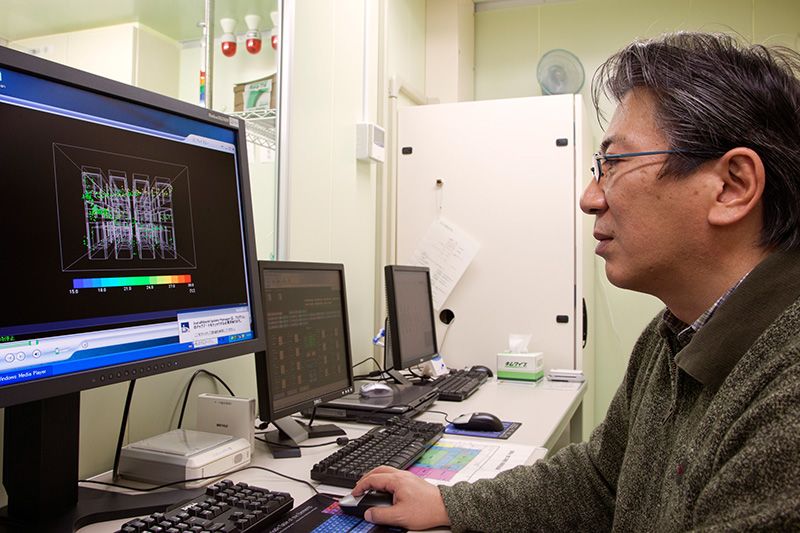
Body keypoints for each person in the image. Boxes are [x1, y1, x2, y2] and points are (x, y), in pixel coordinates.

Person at [352, 32, 800, 531]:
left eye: (614, 165)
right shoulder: (672, 334)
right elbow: (600, 479)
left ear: (732, 186)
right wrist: (450, 505)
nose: (589, 198)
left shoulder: (787, 392)